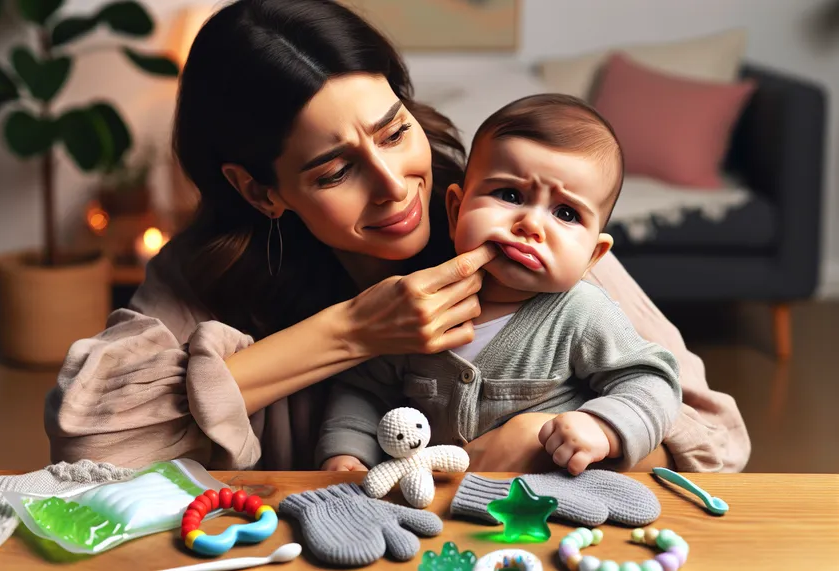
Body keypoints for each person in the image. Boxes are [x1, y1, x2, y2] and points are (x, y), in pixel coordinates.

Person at [44, 0, 749, 473]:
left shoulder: (515, 222)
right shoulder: (208, 272)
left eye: (394, 130)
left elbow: (714, 438)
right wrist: (351, 332)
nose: (393, 184)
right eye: (335, 169)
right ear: (260, 189)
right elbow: (89, 440)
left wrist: (546, 439)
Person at [316, 94, 682, 477]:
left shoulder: (581, 313)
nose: (531, 225)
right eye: (510, 195)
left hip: (546, 502)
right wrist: (348, 454)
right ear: (457, 211)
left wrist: (604, 427)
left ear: (593, 255)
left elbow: (651, 381)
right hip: (432, 503)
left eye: (566, 213)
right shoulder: (419, 303)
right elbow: (364, 391)